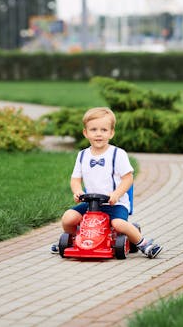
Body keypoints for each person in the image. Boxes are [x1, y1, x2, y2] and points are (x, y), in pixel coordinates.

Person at [50, 107, 163, 259]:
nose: (98, 134)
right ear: (85, 133)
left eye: (104, 130)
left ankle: (143, 243)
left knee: (118, 224)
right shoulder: (82, 155)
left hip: (114, 203)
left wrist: (116, 194)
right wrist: (77, 191)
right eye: (94, 129)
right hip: (91, 204)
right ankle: (73, 239)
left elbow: (128, 178)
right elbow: (76, 178)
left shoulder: (118, 154)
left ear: (111, 133)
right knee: (68, 218)